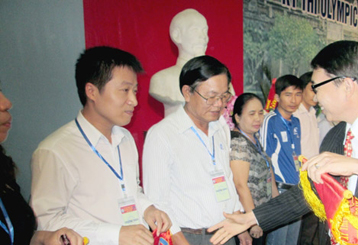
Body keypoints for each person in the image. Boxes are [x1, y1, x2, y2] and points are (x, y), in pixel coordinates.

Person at [208, 40, 358, 244]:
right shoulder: (336, 137)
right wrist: (252, 218)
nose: (315, 98)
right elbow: (308, 194)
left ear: (346, 85)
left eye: (317, 88)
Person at [30, 46, 171, 245]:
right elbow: (47, 222)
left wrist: (148, 208)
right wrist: (115, 234)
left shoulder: (125, 138)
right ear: (92, 91)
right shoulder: (55, 150)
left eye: (135, 91)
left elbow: (131, 190)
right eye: (124, 90)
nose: (134, 101)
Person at [143, 55, 249, 245]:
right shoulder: (162, 135)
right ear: (187, 92)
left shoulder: (221, 126)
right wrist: (180, 240)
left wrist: (238, 218)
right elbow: (157, 201)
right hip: (189, 236)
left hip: (225, 232)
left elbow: (226, 178)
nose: (219, 104)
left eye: (224, 96)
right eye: (210, 96)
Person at [0, 84, 84, 245]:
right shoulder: (53, 149)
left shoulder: (4, 171)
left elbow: (19, 235)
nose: (7, 103)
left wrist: (45, 238)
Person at [259, 74, 303, 245]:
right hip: (280, 189)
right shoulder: (269, 120)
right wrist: (273, 191)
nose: (293, 100)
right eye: (288, 94)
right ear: (277, 97)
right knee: (278, 241)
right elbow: (264, 157)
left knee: (292, 241)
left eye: (298, 94)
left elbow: (296, 156)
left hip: (297, 189)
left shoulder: (297, 122)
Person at [230, 93, 278, 245]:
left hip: (261, 214)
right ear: (237, 117)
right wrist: (253, 221)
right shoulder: (239, 143)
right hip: (247, 218)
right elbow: (240, 185)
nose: (258, 118)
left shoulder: (253, 138)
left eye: (260, 113)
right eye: (252, 114)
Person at [149, 9, 209, 117]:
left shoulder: (219, 80)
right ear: (177, 35)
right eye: (195, 30)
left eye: (205, 31)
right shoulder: (162, 79)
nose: (203, 37)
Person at [293, 72, 319, 245]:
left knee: (311, 227)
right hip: (300, 178)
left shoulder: (313, 113)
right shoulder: (295, 114)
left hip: (314, 177)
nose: (316, 94)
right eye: (312, 89)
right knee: (299, 229)